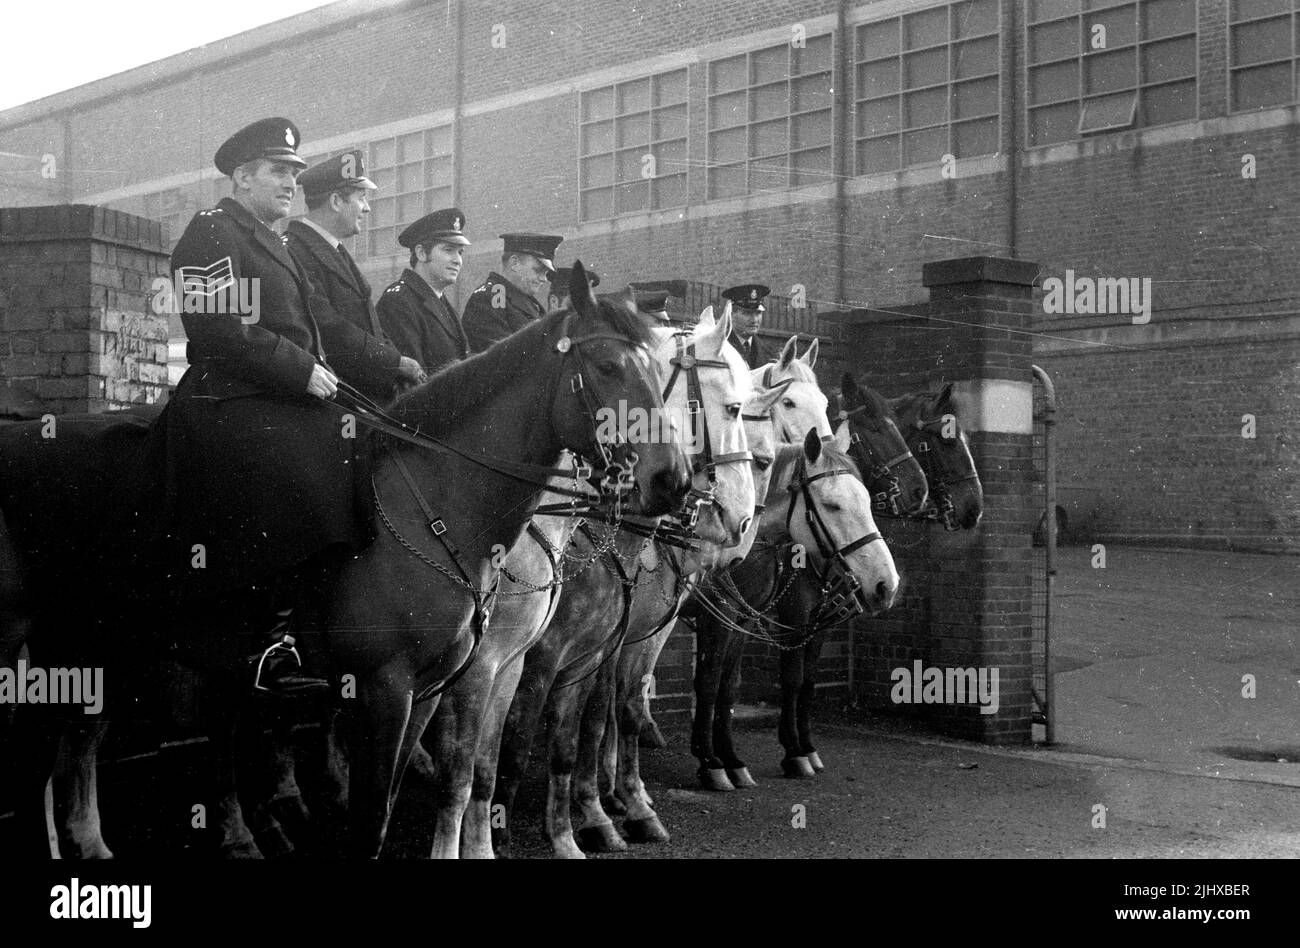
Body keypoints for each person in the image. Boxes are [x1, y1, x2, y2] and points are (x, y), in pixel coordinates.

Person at [159, 117, 423, 696]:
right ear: (243, 177)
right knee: (311, 466)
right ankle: (271, 639)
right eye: (279, 171)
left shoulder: (274, 240)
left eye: (294, 172)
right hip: (228, 398)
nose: (290, 182)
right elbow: (213, 327)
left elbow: (310, 330)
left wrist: (324, 375)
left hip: (277, 394)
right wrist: (300, 369)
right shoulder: (210, 232)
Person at [286, 149, 421, 399]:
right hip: (337, 398)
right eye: (361, 198)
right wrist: (395, 362)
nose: (367, 208)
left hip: (361, 394)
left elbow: (370, 326)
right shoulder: (294, 250)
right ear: (336, 201)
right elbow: (328, 327)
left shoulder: (332, 249)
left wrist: (395, 363)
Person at [376, 208, 473, 375]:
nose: (457, 260)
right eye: (448, 250)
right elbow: (412, 383)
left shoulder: (439, 300)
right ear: (421, 253)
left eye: (460, 252)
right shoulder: (398, 301)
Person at [461, 232, 563, 352]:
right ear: (514, 263)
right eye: (538, 270)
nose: (544, 279)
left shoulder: (528, 302)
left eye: (545, 273)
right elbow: (499, 357)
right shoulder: (492, 297)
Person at [722, 283, 772, 368]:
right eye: (747, 313)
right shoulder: (720, 346)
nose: (754, 320)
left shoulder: (768, 352)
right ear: (731, 314)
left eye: (758, 313)